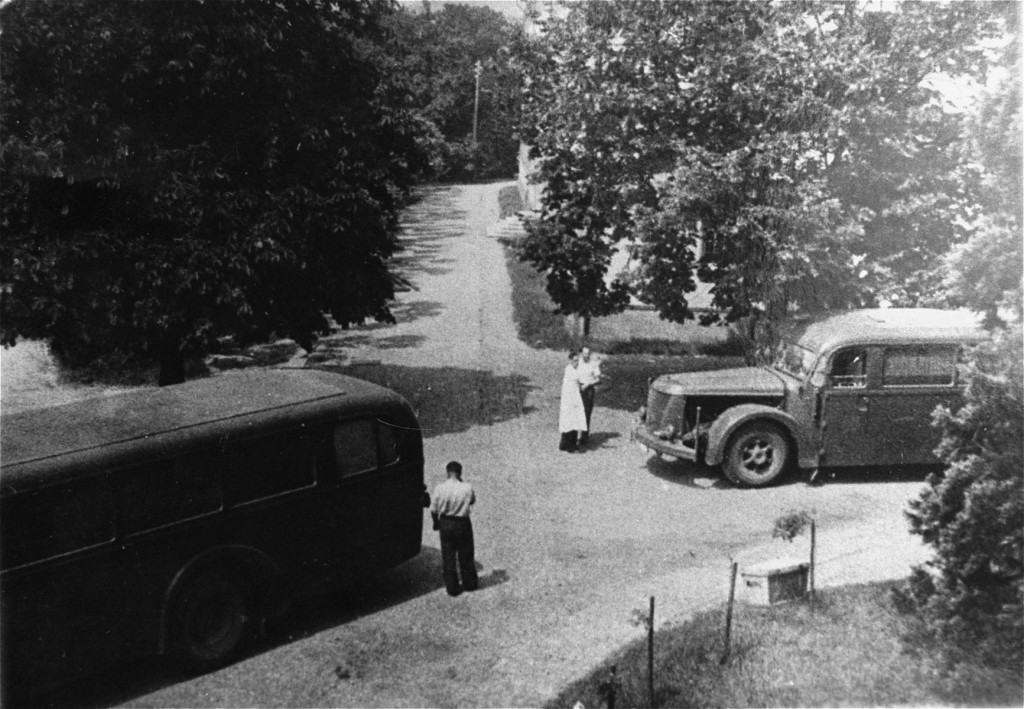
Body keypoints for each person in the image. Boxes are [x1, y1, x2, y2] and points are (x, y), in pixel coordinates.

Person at [430, 461, 479, 596]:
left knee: (448, 556)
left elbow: (433, 510)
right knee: (466, 554)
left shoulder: (440, 488)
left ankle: (452, 588)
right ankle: (469, 583)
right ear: (460, 473)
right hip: (462, 523)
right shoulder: (467, 487)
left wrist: (436, 524)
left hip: (446, 523)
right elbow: (472, 501)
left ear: (447, 472)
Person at [558, 350, 588, 452]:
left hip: (573, 398)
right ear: (570, 360)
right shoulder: (569, 370)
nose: (577, 363)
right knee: (570, 422)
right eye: (575, 361)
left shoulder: (573, 369)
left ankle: (566, 444)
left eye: (578, 361)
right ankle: (570, 445)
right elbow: (581, 378)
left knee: (572, 421)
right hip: (570, 400)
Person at [577, 346, 603, 444]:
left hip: (588, 391)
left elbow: (598, 379)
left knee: (586, 413)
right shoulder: (577, 363)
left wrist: (588, 384)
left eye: (588, 354)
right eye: (584, 353)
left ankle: (584, 436)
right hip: (578, 389)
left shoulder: (593, 364)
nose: (586, 356)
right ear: (581, 354)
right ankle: (575, 436)